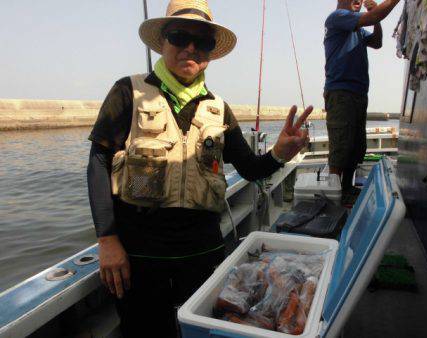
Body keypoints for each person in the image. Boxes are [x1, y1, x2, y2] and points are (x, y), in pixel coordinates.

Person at [87, 0, 312, 336]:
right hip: (139, 256)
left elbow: (251, 169)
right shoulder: (127, 92)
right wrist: (107, 239)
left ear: (211, 52)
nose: (190, 48)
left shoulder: (219, 109)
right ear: (163, 41)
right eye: (179, 36)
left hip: (202, 253)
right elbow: (98, 162)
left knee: (203, 331)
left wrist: (279, 153)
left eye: (203, 41)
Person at [323, 0, 400, 203]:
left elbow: (377, 42)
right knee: (340, 146)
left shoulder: (357, 29)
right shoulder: (337, 17)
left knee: (356, 146)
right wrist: (376, 13)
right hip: (341, 92)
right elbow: (372, 18)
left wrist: (375, 15)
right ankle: (334, 197)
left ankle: (347, 189)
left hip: (358, 93)